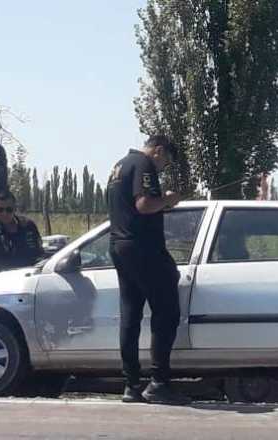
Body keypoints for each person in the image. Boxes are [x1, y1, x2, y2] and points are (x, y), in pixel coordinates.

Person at [107, 135, 189, 405]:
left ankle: (131, 384)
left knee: (130, 314)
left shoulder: (119, 165)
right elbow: (144, 204)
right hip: (144, 248)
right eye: (165, 161)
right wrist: (167, 199)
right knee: (166, 312)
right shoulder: (144, 164)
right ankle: (159, 382)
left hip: (120, 245)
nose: (163, 167)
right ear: (158, 150)